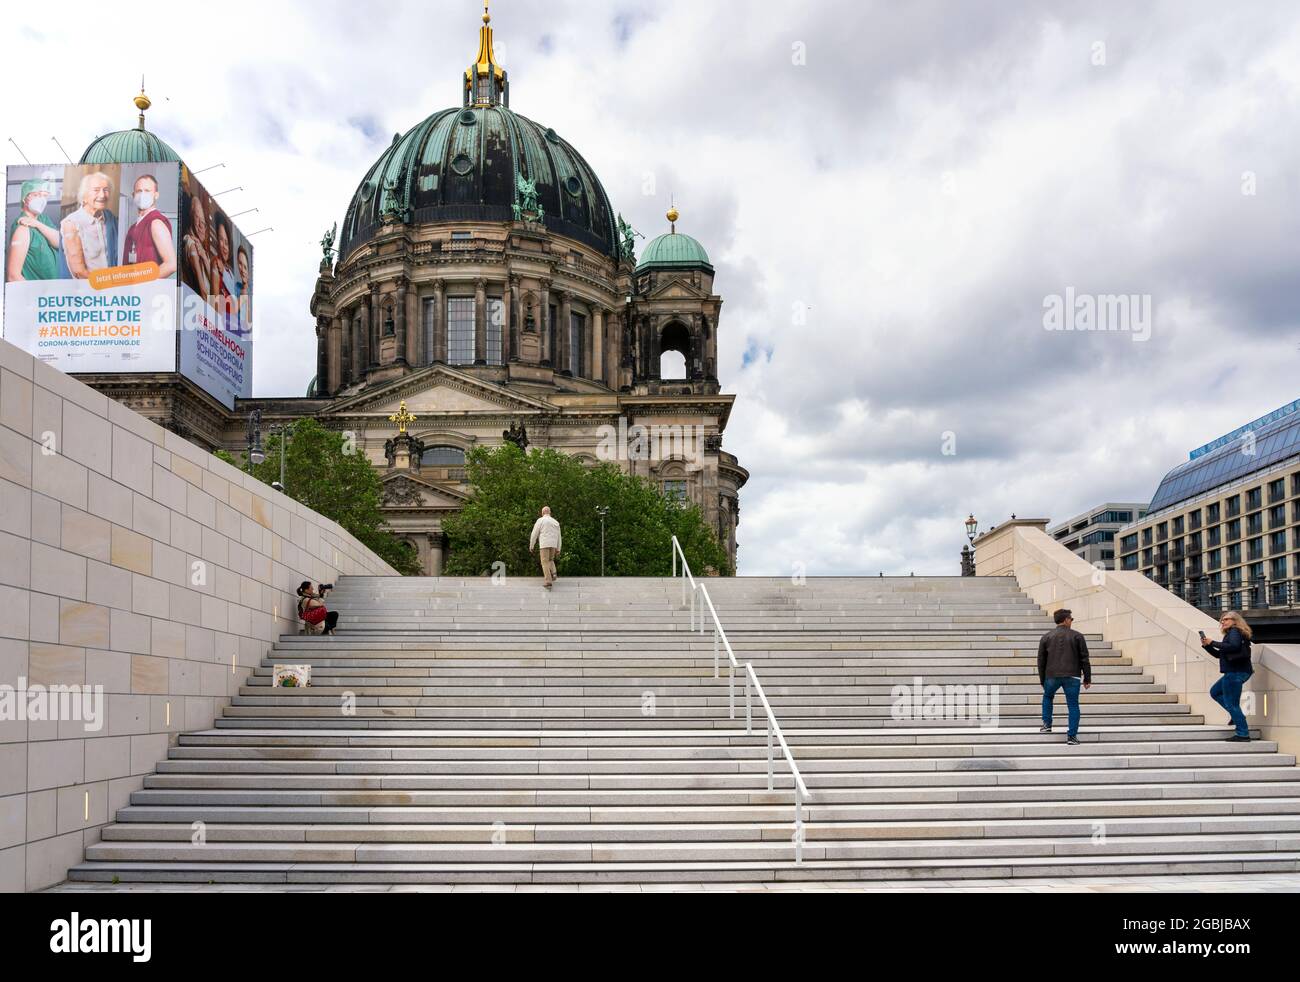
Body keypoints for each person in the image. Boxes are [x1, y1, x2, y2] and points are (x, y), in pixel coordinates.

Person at [1037, 608, 1092, 745]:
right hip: (1072, 676)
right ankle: (1072, 736)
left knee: (1048, 697)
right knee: (1073, 705)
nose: (1071, 621)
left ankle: (1047, 725)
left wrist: (1042, 679)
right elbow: (1084, 658)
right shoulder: (1078, 636)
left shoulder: (1046, 637)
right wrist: (1087, 678)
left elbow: (1041, 660)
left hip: (1051, 675)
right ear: (1066, 620)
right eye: (1071, 619)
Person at [1201, 611, 1254, 742]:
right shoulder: (1230, 635)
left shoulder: (1235, 631)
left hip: (1235, 672)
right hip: (1234, 672)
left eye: (1226, 619)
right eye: (1222, 620)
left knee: (1232, 703)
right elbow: (1220, 655)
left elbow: (1234, 647)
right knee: (1215, 692)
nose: (1223, 622)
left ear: (1235, 621)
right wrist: (1207, 646)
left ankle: (1243, 734)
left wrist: (1213, 642)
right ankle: (1237, 716)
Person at [60, 171, 118, 278]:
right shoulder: (72, 224)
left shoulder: (110, 218)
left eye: (106, 190)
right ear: (84, 196)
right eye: (96, 190)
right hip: (87, 288)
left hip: (111, 286)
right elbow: (79, 272)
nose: (102, 195)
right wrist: (108, 282)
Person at [6, 179, 61, 282]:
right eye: (36, 195)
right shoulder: (23, 228)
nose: (41, 199)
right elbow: (13, 276)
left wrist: (37, 224)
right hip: (38, 293)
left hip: (53, 290)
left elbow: (59, 243)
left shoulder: (43, 219)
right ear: (24, 198)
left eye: (44, 196)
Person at [123, 174, 176, 276]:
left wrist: (143, 282)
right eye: (139, 191)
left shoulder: (156, 223)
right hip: (131, 289)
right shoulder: (133, 228)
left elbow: (171, 265)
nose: (143, 194)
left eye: (147, 191)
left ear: (156, 195)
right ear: (133, 195)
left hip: (147, 289)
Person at [182, 191, 212, 295]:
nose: (200, 226)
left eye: (203, 222)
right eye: (196, 218)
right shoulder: (192, 245)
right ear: (191, 217)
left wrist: (204, 256)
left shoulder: (202, 250)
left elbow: (214, 282)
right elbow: (203, 291)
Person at [529, 506, 562, 590]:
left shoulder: (540, 521)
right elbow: (559, 536)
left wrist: (531, 545)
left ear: (542, 513)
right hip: (553, 544)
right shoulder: (555, 522)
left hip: (544, 544)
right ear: (550, 512)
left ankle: (548, 582)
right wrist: (558, 548)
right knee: (550, 560)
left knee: (544, 562)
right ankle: (554, 573)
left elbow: (534, 534)